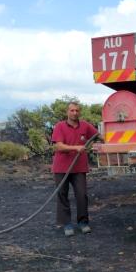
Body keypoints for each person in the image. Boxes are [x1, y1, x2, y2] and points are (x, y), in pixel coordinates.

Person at [51, 101, 98, 237]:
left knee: (82, 195)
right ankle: (67, 224)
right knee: (62, 195)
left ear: (79, 112)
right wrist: (76, 147)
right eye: (72, 110)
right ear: (67, 112)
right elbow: (58, 146)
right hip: (61, 168)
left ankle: (83, 222)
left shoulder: (85, 126)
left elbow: (98, 135)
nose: (74, 113)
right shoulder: (59, 126)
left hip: (79, 167)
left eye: (77, 110)